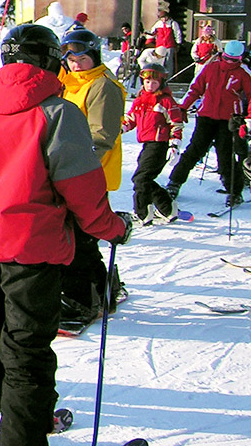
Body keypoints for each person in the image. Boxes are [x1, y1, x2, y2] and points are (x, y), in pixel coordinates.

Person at [0, 23, 132, 446]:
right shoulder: (57, 113)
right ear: (49, 62)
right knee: (26, 355)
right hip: (30, 251)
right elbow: (83, 188)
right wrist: (111, 228)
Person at [56, 27, 129, 323]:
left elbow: (102, 135)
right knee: (81, 236)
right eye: (69, 56)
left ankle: (93, 296)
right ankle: (106, 287)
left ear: (94, 55)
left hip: (89, 171)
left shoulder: (101, 85)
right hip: (70, 170)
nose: (75, 62)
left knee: (82, 237)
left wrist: (78, 168)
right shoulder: (70, 82)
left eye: (81, 56)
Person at [165, 39, 251, 206]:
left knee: (225, 157)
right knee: (194, 151)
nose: (229, 62)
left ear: (240, 59)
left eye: (233, 60)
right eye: (227, 58)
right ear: (222, 55)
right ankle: (174, 183)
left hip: (228, 120)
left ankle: (235, 191)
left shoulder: (243, 74)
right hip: (206, 116)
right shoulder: (211, 67)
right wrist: (183, 107)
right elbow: (196, 88)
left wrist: (248, 119)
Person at [122, 64, 184, 223]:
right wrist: (120, 128)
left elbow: (176, 123)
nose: (150, 85)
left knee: (141, 179)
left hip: (159, 144)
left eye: (154, 83)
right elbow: (131, 119)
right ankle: (168, 209)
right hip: (147, 144)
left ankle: (142, 212)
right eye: (147, 82)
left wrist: (174, 145)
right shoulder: (141, 100)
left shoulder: (166, 101)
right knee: (145, 178)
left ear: (161, 83)